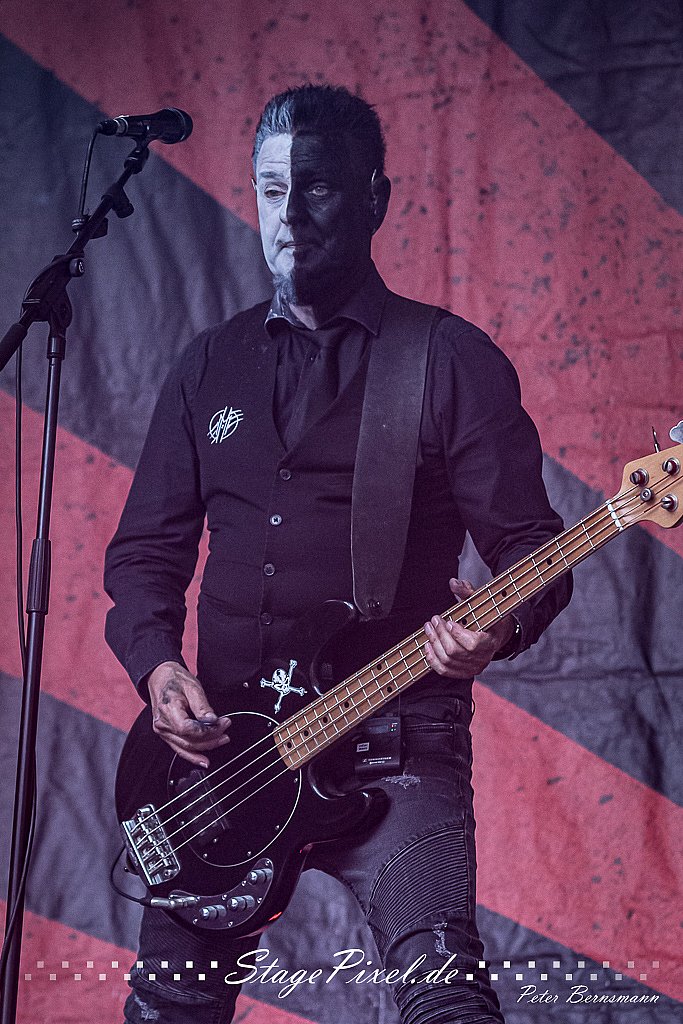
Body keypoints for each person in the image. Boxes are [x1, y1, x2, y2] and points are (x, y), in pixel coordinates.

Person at [104, 84, 572, 1024]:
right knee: (168, 1010)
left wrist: (498, 626)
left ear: (374, 199)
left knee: (445, 1001)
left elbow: (533, 545)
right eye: (272, 190)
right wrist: (157, 666)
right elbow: (146, 552)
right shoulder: (209, 365)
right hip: (225, 759)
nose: (289, 216)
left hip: (394, 739)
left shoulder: (446, 359)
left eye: (315, 188)